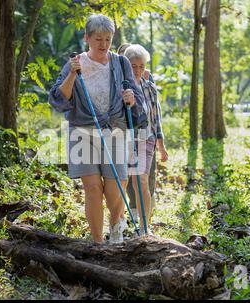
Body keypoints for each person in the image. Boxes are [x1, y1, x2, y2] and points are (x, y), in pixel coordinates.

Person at [49, 14, 144, 244]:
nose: (103, 45)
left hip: (115, 131)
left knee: (115, 188)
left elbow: (137, 100)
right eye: (98, 39)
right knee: (92, 189)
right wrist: (72, 73)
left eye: (108, 39)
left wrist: (131, 98)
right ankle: (97, 243)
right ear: (87, 38)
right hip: (82, 131)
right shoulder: (76, 63)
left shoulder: (120, 63)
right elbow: (59, 100)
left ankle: (116, 227)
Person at [123, 44, 168, 235]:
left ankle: (144, 228)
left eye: (141, 66)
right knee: (123, 181)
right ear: (126, 65)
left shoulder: (149, 86)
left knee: (141, 180)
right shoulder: (120, 86)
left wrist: (162, 145)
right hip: (123, 138)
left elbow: (155, 118)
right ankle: (118, 223)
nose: (138, 70)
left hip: (145, 137)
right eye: (133, 66)